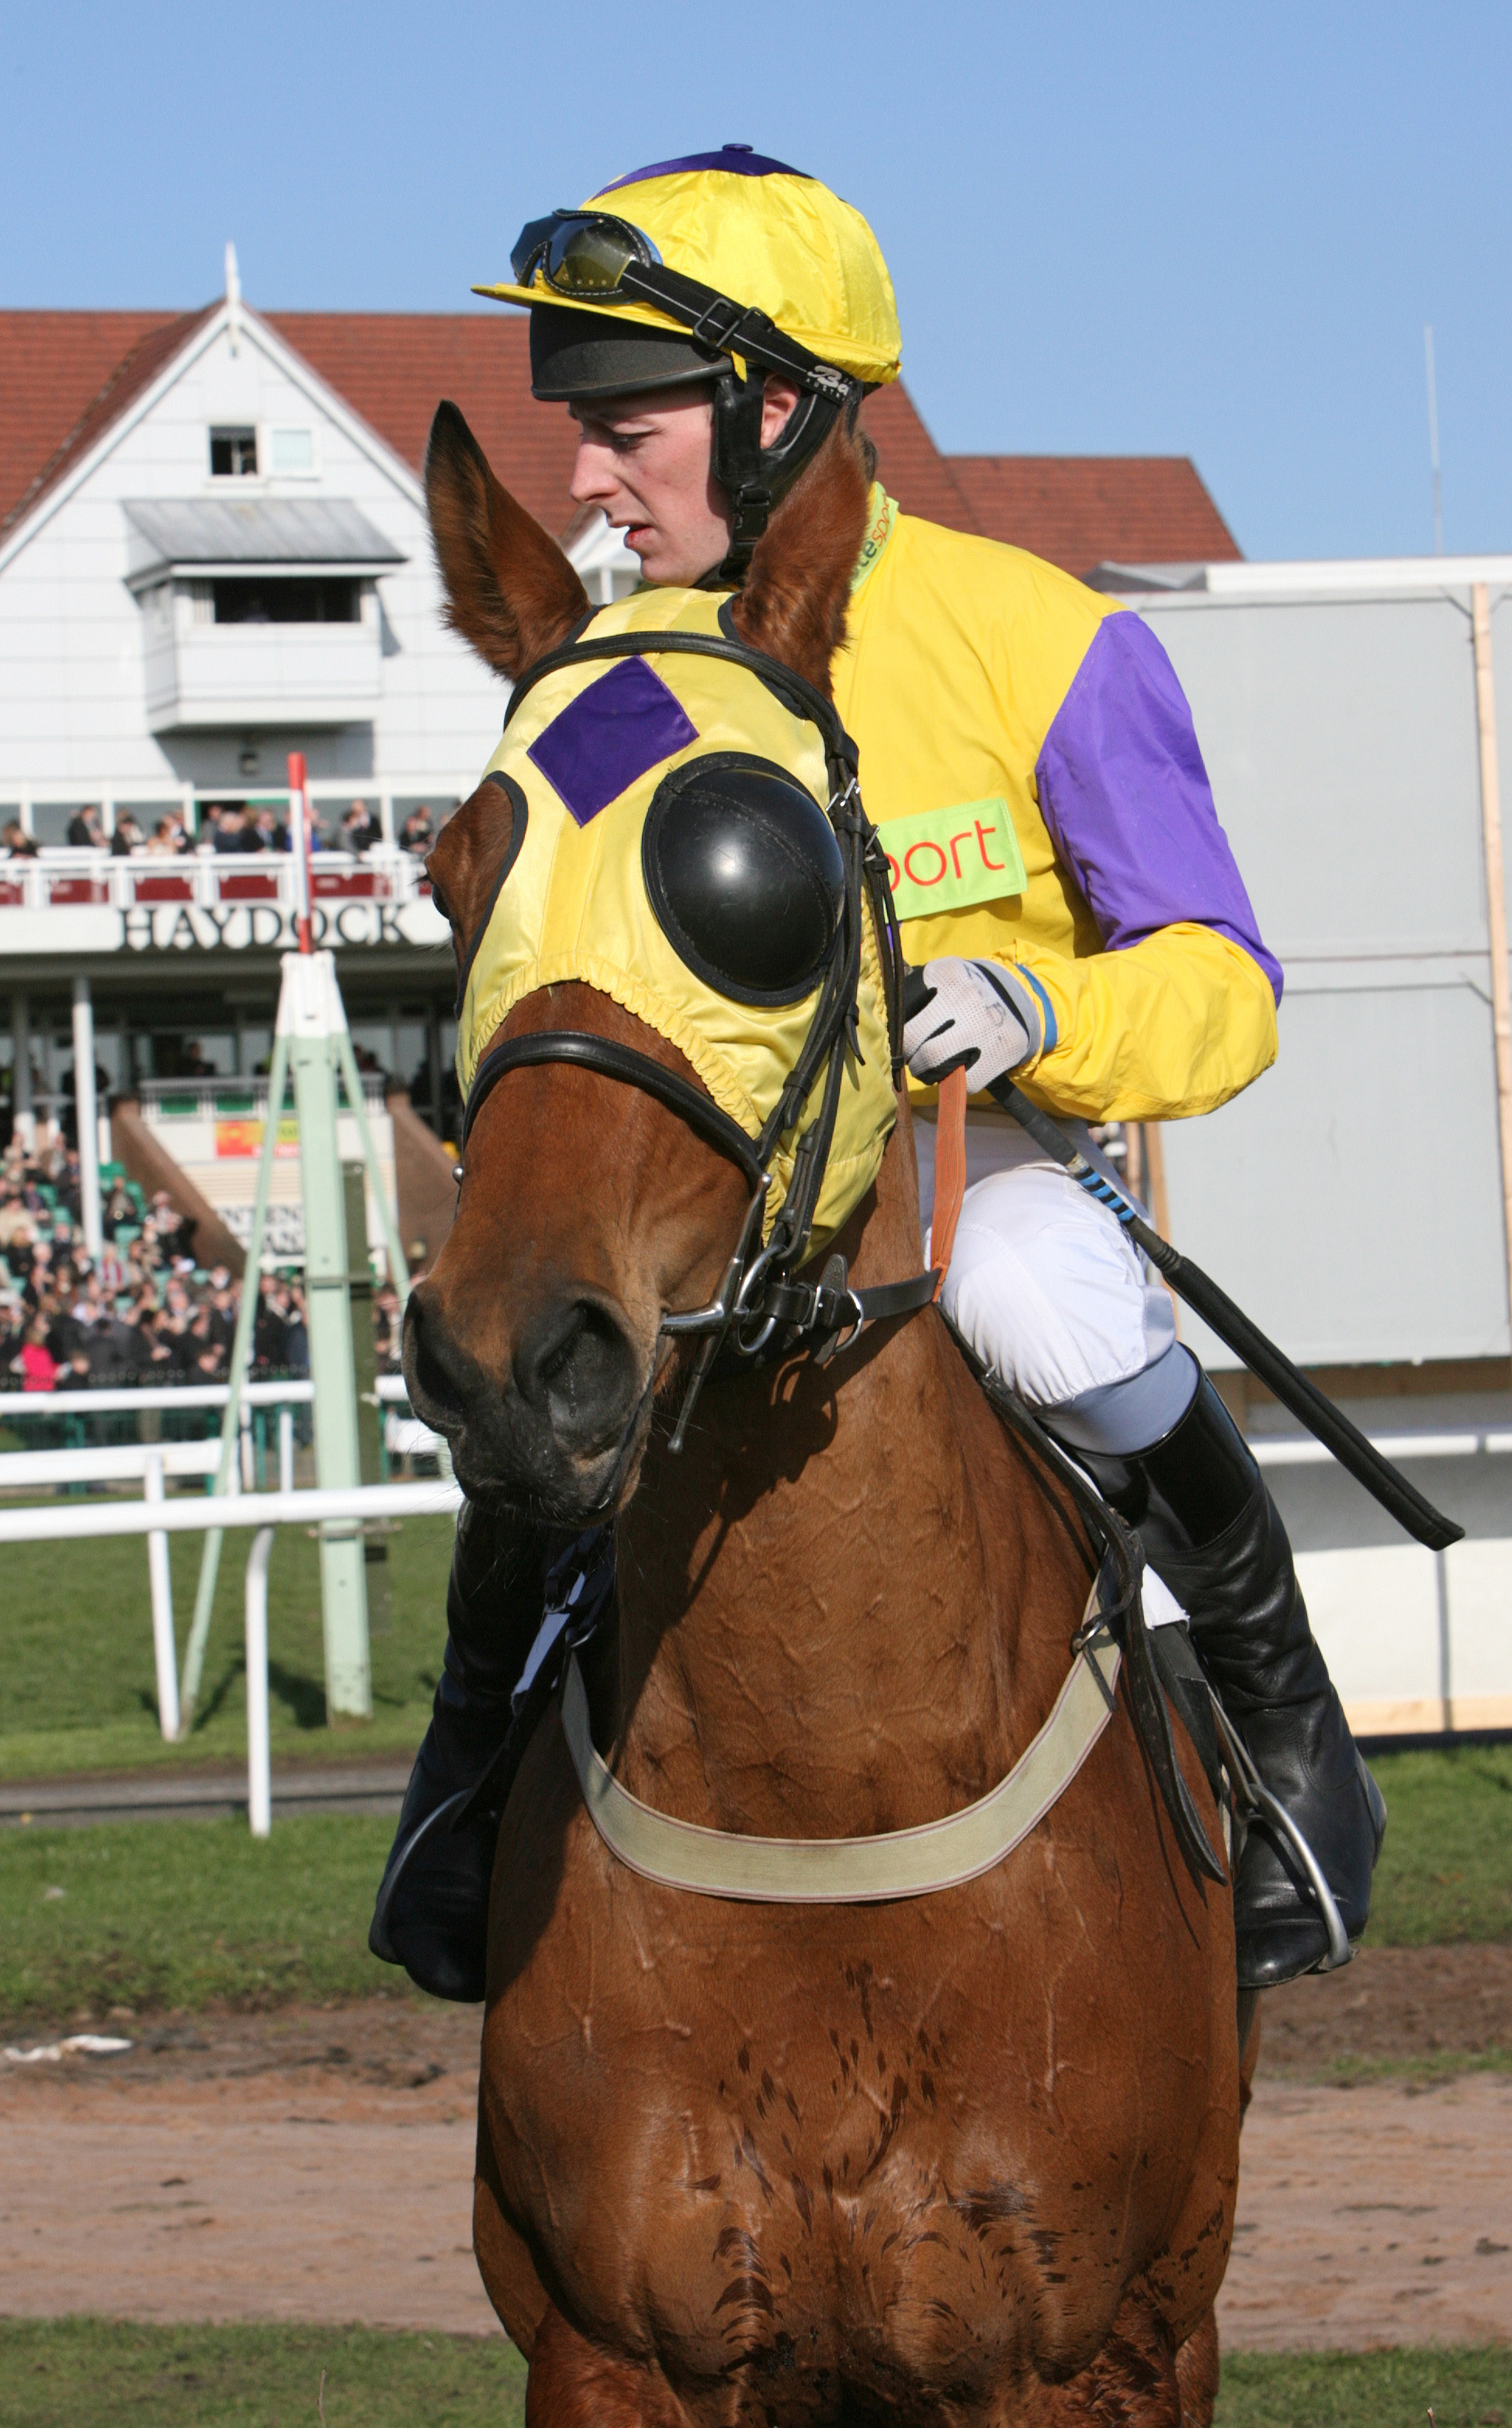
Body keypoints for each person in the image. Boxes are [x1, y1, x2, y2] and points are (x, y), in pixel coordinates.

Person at [373, 148, 1383, 2004]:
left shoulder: (1037, 639)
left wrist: (1043, 1010)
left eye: (622, 427)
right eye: (570, 435)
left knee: (1022, 1279)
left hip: (974, 1173)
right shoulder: (610, 670)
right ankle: (462, 1784)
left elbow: (1225, 989)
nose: (584, 483)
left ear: (778, 407)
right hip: (722, 1193)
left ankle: (1289, 1736)